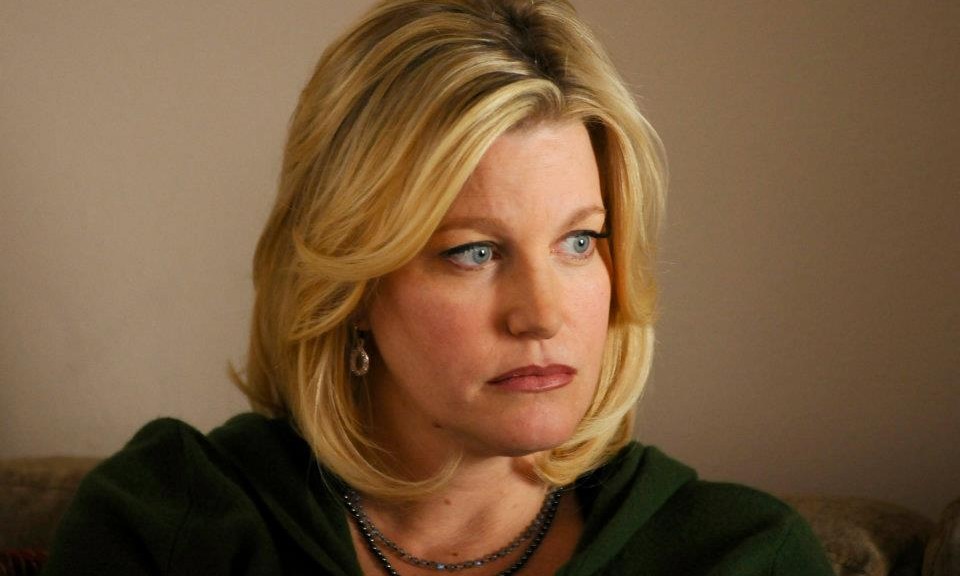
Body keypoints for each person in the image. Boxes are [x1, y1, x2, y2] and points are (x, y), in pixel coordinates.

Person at [43, 1, 833, 574]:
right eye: (474, 252)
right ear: (351, 285)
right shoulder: (172, 528)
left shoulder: (742, 556)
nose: (542, 315)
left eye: (579, 242)